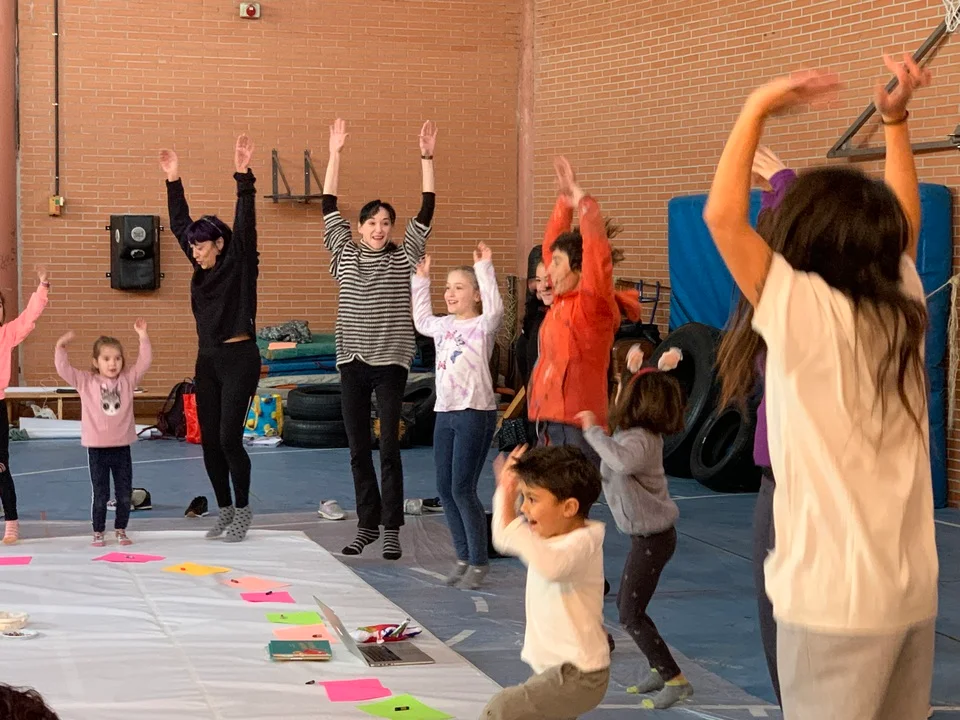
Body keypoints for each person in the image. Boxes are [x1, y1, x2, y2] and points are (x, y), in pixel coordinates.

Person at [703, 56, 938, 720]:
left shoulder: (802, 309)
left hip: (834, 608)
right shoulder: (902, 302)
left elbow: (723, 218)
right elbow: (907, 223)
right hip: (910, 595)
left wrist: (757, 104)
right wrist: (895, 122)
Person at [321, 118, 438, 560]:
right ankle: (367, 525)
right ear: (360, 226)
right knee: (357, 449)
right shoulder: (343, 251)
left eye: (385, 222)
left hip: (391, 361)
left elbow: (426, 209)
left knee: (389, 446)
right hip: (352, 361)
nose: (378, 228)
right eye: (371, 222)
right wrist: (334, 153)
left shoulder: (404, 256)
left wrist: (426, 158)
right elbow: (327, 202)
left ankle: (391, 528)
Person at [715, 144, 796, 707]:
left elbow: (727, 223)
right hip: (779, 478)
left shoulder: (798, 302)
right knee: (774, 601)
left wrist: (783, 183)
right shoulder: (779, 302)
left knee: (789, 607)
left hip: (799, 479)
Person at [159, 134, 261, 542]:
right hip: (208, 361)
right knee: (209, 444)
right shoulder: (200, 268)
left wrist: (243, 176)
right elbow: (179, 224)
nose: (195, 252)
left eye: (200, 246)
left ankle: (244, 509)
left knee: (229, 438)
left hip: (240, 359)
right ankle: (225, 510)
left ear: (218, 244)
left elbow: (246, 224)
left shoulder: (239, 264)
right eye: (192, 248)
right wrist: (173, 179)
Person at [578, 354, 692, 709]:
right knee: (630, 608)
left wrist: (592, 431)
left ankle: (675, 679)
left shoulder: (639, 440)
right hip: (645, 537)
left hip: (653, 539)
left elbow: (621, 461)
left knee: (630, 613)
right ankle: (659, 668)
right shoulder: (633, 435)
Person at [484, 444, 609, 719]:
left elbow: (551, 566)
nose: (524, 508)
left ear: (569, 507)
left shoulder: (583, 542)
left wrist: (511, 509)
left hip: (579, 673)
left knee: (503, 708)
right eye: (523, 497)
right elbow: (503, 538)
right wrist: (505, 492)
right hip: (551, 670)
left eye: (532, 499)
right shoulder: (547, 536)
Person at [412, 243, 504, 589]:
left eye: (459, 288)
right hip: (445, 412)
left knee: (463, 488)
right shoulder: (443, 326)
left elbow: (496, 308)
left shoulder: (483, 325)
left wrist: (484, 268)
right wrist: (421, 281)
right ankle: (463, 556)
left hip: (474, 413)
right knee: (445, 489)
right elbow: (421, 320)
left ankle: (479, 561)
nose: (450, 294)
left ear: (476, 295)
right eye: (447, 287)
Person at [527, 157, 626, 467]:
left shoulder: (592, 305)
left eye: (557, 263)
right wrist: (564, 202)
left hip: (578, 423)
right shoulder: (561, 300)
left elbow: (597, 253)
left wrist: (583, 202)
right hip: (548, 417)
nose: (548, 269)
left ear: (579, 269)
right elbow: (550, 246)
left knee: (572, 493)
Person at [54, 320, 152, 546]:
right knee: (101, 494)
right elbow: (64, 370)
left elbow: (144, 362)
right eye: (106, 358)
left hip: (122, 448)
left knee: (124, 494)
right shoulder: (86, 382)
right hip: (97, 449)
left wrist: (143, 336)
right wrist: (60, 347)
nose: (113, 363)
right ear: (95, 362)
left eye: (117, 358)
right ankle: (98, 530)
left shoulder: (127, 380)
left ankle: (121, 529)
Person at [0, 268, 50, 545]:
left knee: (1, 468)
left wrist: (42, 287)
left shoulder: (6, 334)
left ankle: (11, 524)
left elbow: (29, 317)